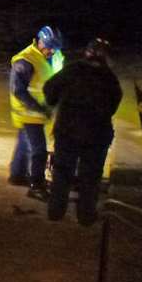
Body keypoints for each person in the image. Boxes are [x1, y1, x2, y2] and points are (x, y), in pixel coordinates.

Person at [44, 38, 122, 225]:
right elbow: (114, 104)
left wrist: (56, 103)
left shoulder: (72, 70)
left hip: (67, 131)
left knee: (62, 172)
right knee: (91, 175)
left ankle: (56, 211)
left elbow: (49, 89)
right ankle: (86, 215)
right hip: (96, 135)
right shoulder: (109, 78)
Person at [8, 26, 64, 200]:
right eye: (49, 47)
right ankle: (36, 186)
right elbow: (18, 90)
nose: (51, 51)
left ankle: (17, 175)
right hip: (29, 112)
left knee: (25, 143)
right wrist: (39, 108)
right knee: (39, 150)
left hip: (42, 110)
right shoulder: (25, 61)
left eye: (55, 48)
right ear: (39, 41)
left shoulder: (56, 56)